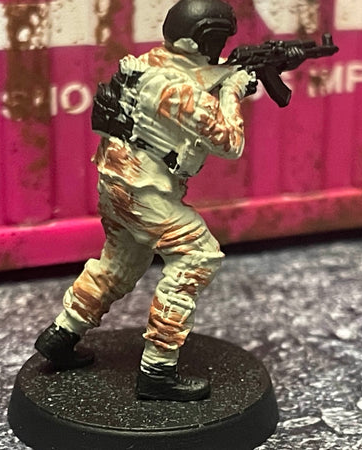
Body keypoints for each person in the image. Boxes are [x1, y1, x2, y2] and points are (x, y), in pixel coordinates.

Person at [34, 0, 256, 402]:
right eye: (219, 40)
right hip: (146, 194)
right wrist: (233, 90)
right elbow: (230, 144)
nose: (221, 46)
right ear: (204, 40)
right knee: (196, 257)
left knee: (118, 266)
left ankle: (60, 335)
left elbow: (195, 75)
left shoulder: (148, 63)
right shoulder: (180, 92)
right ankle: (157, 371)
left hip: (116, 185)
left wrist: (230, 71)